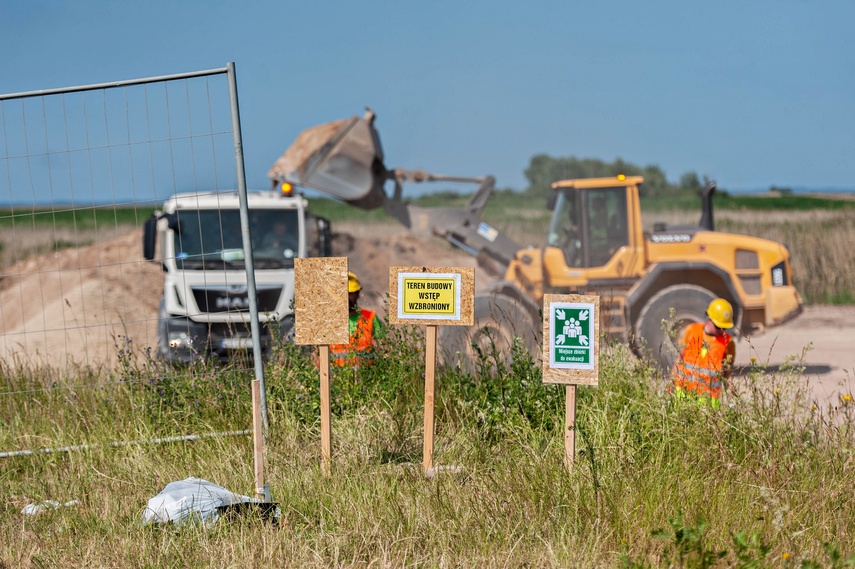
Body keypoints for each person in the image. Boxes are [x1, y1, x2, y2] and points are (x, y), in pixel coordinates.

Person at [671, 298, 737, 409]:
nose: (721, 330)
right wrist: (671, 384)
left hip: (710, 399)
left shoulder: (728, 342)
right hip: (683, 392)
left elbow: (728, 372)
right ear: (709, 318)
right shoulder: (691, 330)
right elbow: (680, 359)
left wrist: (731, 396)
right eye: (718, 326)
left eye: (724, 327)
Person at [329, 272, 383, 367]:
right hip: (337, 379)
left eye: (349, 294)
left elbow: (384, 347)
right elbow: (317, 355)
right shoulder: (329, 321)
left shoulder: (370, 317)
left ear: (358, 294)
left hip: (367, 378)